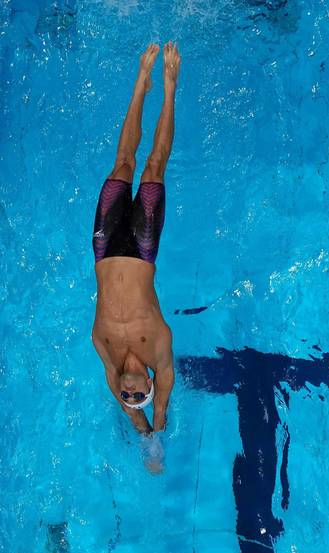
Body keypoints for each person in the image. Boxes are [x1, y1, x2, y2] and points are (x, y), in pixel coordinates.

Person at [91, 42, 180, 471]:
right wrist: (155, 438)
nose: (129, 393)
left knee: (122, 164)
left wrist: (138, 430)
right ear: (148, 382)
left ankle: (139, 85)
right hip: (143, 250)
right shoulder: (158, 349)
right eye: (137, 394)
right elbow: (157, 410)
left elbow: (129, 411)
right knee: (154, 167)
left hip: (105, 247)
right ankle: (168, 86)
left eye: (125, 396)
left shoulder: (106, 352)